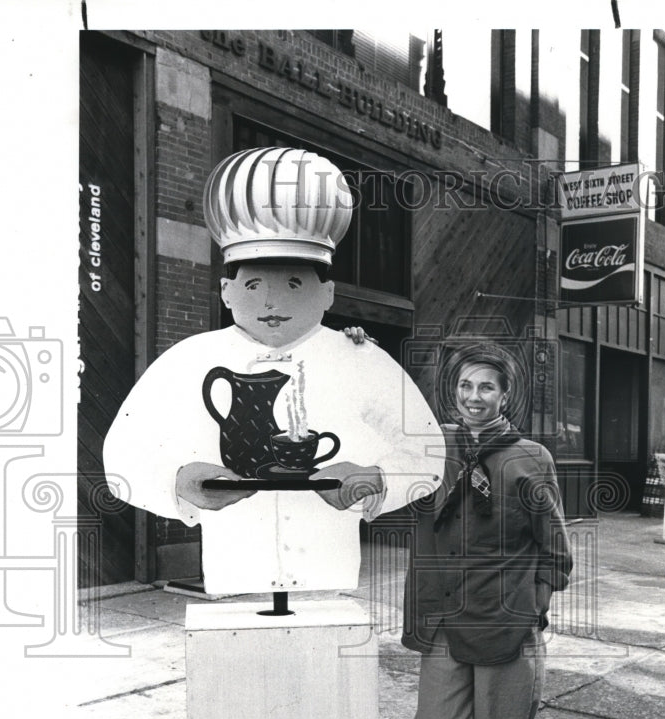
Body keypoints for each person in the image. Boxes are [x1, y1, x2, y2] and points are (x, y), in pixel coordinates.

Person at [104, 148, 444, 595]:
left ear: (327, 294)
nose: (271, 302)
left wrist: (376, 478)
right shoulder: (189, 358)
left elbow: (427, 452)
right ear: (226, 292)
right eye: (252, 285)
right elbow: (123, 453)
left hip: (328, 578)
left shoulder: (361, 358)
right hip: (233, 573)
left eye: (293, 284)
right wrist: (180, 482)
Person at [401, 345, 572, 719]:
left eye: (487, 387)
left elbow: (555, 549)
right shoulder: (427, 449)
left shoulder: (530, 458)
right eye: (466, 386)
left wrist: (532, 612)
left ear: (506, 395)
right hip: (445, 624)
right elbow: (366, 426)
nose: (475, 397)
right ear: (453, 391)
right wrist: (359, 352)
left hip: (507, 629)